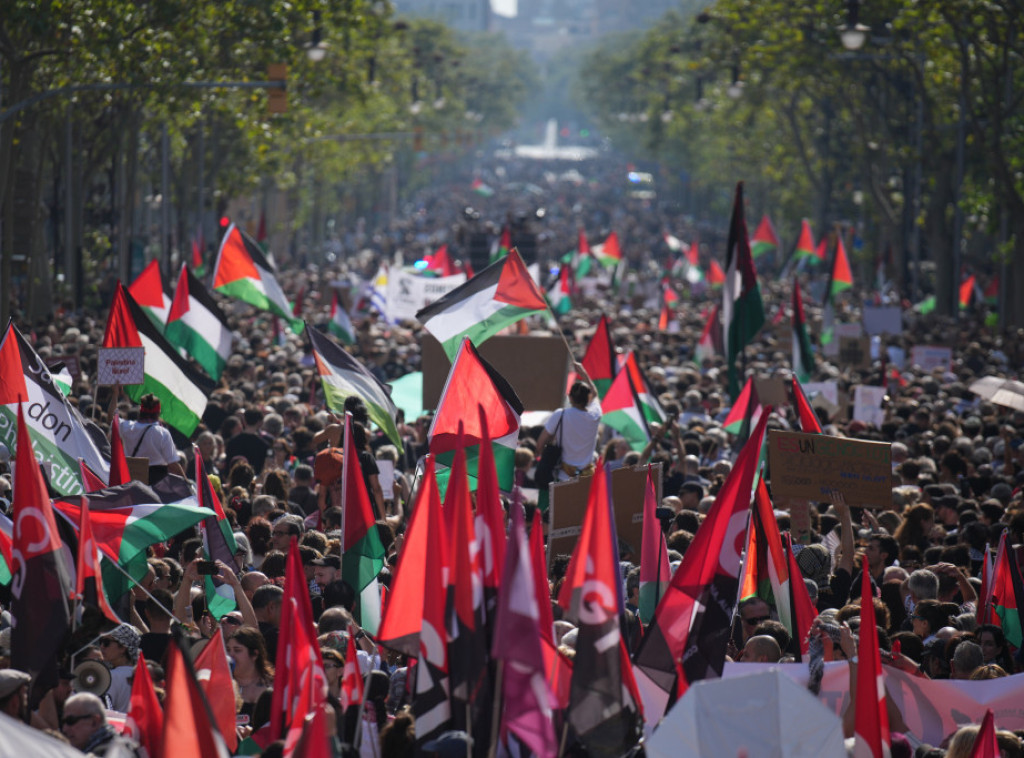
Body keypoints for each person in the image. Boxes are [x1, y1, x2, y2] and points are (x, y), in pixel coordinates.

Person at [536, 380, 601, 481]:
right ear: (588, 399)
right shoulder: (595, 416)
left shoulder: (560, 414)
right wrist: (585, 375)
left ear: (570, 398)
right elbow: (595, 395)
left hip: (562, 477)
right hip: (587, 479)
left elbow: (541, 442)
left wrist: (539, 456)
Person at [117, 394, 185, 483]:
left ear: (140, 411)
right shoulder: (162, 433)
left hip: (130, 478)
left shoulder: (127, 427)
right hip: (155, 482)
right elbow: (173, 464)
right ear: (158, 413)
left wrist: (115, 394)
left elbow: (111, 418)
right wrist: (186, 482)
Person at [61, 691, 139, 754]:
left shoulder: (116, 752)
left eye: (71, 721)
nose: (65, 729)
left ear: (94, 722)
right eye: (63, 722)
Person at [226, 627, 274, 725]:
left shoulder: (274, 683)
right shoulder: (224, 687)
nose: (231, 655)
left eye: (237, 650)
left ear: (255, 654)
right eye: (228, 650)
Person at [99, 623, 142, 712]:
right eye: (101, 641)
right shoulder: (142, 673)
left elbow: (104, 710)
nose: (101, 646)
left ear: (123, 647)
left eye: (106, 643)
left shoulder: (110, 676)